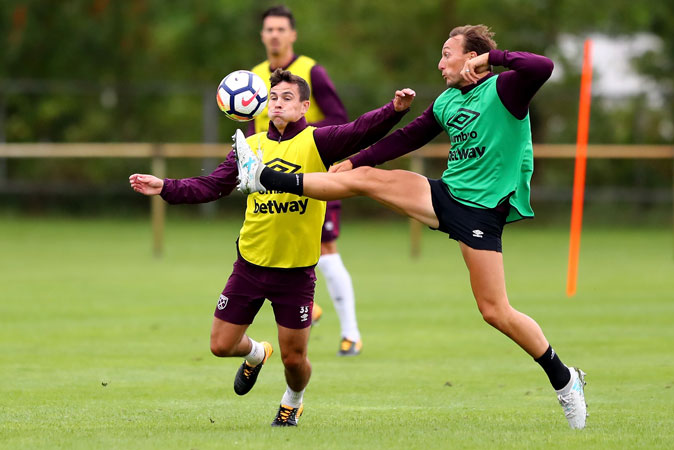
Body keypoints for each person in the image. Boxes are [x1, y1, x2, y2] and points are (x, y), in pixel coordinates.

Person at [236, 25, 588, 429]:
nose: (440, 63)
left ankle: (565, 380)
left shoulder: (505, 89)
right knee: (365, 178)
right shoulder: (448, 101)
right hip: (444, 196)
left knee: (495, 311)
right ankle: (264, 177)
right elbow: (406, 139)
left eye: (448, 53)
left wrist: (491, 59)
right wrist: (355, 159)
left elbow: (542, 66)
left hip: (481, 213)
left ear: (471, 57)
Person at [130, 69, 415, 427]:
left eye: (286, 98)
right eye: (274, 98)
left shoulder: (318, 142)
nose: (278, 104)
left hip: (295, 272)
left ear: (304, 106)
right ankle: (255, 354)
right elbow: (212, 185)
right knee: (220, 345)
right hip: (250, 263)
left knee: (294, 361)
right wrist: (166, 186)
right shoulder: (250, 146)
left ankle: (293, 400)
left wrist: (394, 109)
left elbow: (359, 130)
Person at [251, 5, 362, 356]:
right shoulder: (253, 78)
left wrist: (303, 141)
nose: (274, 35)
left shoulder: (310, 70)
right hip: (267, 181)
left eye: (281, 29)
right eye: (269, 29)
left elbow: (339, 117)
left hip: (311, 173)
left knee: (326, 249)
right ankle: (309, 308)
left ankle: (351, 333)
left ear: (292, 35)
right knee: (265, 246)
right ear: (262, 35)